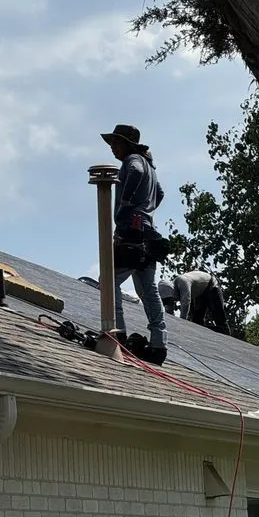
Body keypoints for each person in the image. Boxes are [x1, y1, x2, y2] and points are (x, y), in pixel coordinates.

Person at [101, 124, 168, 364]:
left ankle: (118, 334)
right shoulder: (151, 166)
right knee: (148, 289)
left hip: (131, 233)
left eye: (116, 143)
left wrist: (127, 203)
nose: (113, 148)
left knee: (108, 281)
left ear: (127, 144)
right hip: (148, 235)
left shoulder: (133, 160)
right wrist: (146, 210)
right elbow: (160, 194)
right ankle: (159, 344)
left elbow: (136, 172)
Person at [159, 271, 231, 334]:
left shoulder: (182, 282)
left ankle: (224, 333)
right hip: (199, 294)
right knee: (197, 323)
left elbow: (185, 304)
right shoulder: (169, 296)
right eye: (166, 301)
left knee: (220, 320)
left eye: (170, 300)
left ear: (172, 293)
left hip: (211, 286)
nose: (170, 302)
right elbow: (169, 312)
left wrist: (180, 325)